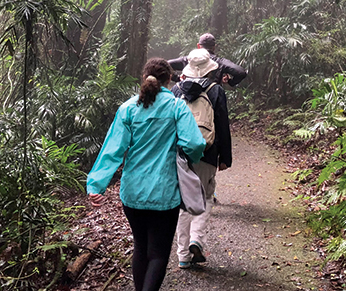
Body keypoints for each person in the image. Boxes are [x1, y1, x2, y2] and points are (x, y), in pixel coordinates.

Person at [86, 58, 206, 291]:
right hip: (164, 193)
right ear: (169, 79)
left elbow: (112, 150)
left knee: (141, 248)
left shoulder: (128, 108)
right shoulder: (176, 106)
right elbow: (194, 143)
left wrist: (96, 185)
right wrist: (187, 156)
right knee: (158, 253)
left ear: (145, 78)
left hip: (133, 193)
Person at [171, 49, 232, 269]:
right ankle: (197, 239)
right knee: (205, 196)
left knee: (183, 203)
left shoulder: (176, 89)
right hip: (207, 152)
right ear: (209, 69)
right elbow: (222, 126)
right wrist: (225, 158)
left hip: (181, 154)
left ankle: (182, 256)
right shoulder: (216, 91)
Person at [168, 33, 247, 88]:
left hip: (189, 102)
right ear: (214, 47)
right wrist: (230, 82)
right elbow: (241, 72)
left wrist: (177, 78)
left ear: (198, 46)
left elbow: (166, 65)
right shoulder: (220, 62)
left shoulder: (189, 60)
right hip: (212, 100)